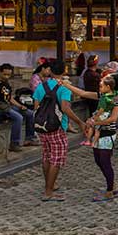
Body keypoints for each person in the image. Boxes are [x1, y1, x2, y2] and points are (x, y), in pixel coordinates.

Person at [34, 60, 86, 201]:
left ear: (50, 71)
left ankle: (49, 185)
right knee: (56, 158)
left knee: (46, 156)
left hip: (42, 126)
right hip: (56, 126)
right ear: (64, 71)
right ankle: (48, 191)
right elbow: (65, 108)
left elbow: (36, 106)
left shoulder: (41, 86)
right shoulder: (64, 88)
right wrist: (79, 122)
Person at [88, 76, 118, 202]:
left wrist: (95, 122)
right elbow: (83, 93)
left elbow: (113, 118)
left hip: (108, 133)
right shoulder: (102, 97)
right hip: (99, 131)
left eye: (101, 85)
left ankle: (109, 191)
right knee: (98, 160)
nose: (99, 88)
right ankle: (111, 184)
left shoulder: (116, 99)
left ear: (108, 87)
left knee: (105, 161)